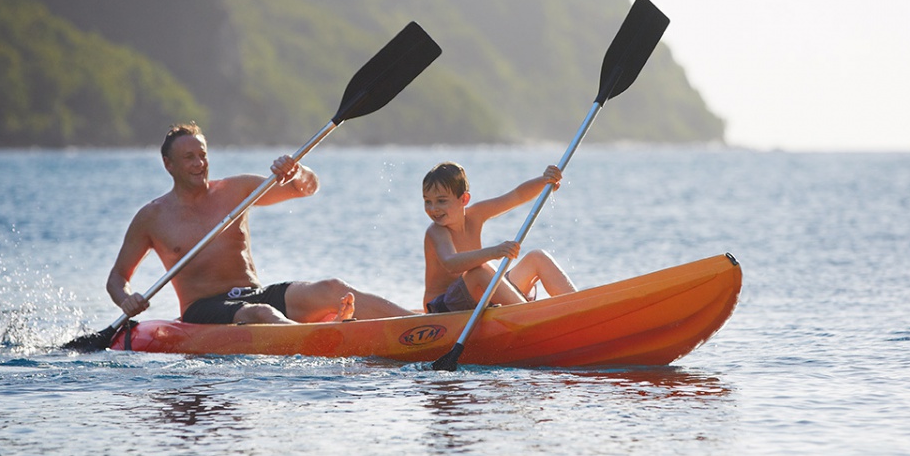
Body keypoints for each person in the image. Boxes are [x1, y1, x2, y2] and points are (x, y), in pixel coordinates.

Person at [107, 122, 414, 324]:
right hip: (203, 309)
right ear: (168, 164)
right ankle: (321, 338)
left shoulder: (236, 190)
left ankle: (419, 325)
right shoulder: (152, 217)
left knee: (332, 288)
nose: (199, 163)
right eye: (189, 157)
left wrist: (297, 171)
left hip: (252, 293)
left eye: (202, 154)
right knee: (263, 314)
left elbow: (306, 188)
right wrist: (126, 300)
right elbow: (117, 278)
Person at [421, 161, 576, 313]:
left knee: (537, 257)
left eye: (441, 201)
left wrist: (543, 181)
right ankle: (530, 315)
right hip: (442, 308)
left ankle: (576, 306)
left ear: (464, 199)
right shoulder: (436, 231)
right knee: (480, 270)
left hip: (476, 298)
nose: (433, 209)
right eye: (427, 201)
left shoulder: (475, 215)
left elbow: (516, 196)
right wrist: (494, 252)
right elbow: (450, 263)